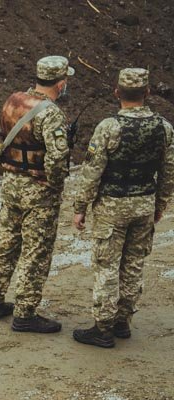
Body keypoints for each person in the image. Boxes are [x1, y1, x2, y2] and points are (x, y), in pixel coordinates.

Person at [70, 68, 174, 348]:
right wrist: (160, 204)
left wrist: (80, 207)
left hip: (112, 207)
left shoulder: (108, 127)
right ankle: (122, 321)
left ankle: (102, 328)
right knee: (133, 264)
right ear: (148, 93)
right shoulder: (163, 127)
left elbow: (92, 171)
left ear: (117, 93)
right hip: (144, 203)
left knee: (107, 266)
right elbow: (168, 171)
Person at [0, 55, 73, 333]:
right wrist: (55, 185)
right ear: (60, 83)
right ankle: (25, 313)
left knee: (7, 242)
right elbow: (58, 158)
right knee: (36, 251)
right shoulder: (51, 113)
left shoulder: (14, 101)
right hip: (38, 188)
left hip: (11, 183)